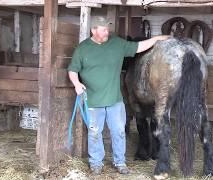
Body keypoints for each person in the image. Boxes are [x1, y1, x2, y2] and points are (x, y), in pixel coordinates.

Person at [67, 16, 169, 175]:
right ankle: (96, 163)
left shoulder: (117, 44)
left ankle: (119, 162)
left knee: (119, 132)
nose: (107, 31)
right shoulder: (83, 48)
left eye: (107, 28)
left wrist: (156, 39)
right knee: (94, 133)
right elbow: (73, 70)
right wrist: (76, 84)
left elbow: (138, 47)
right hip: (92, 101)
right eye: (103, 29)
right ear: (93, 30)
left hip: (115, 101)